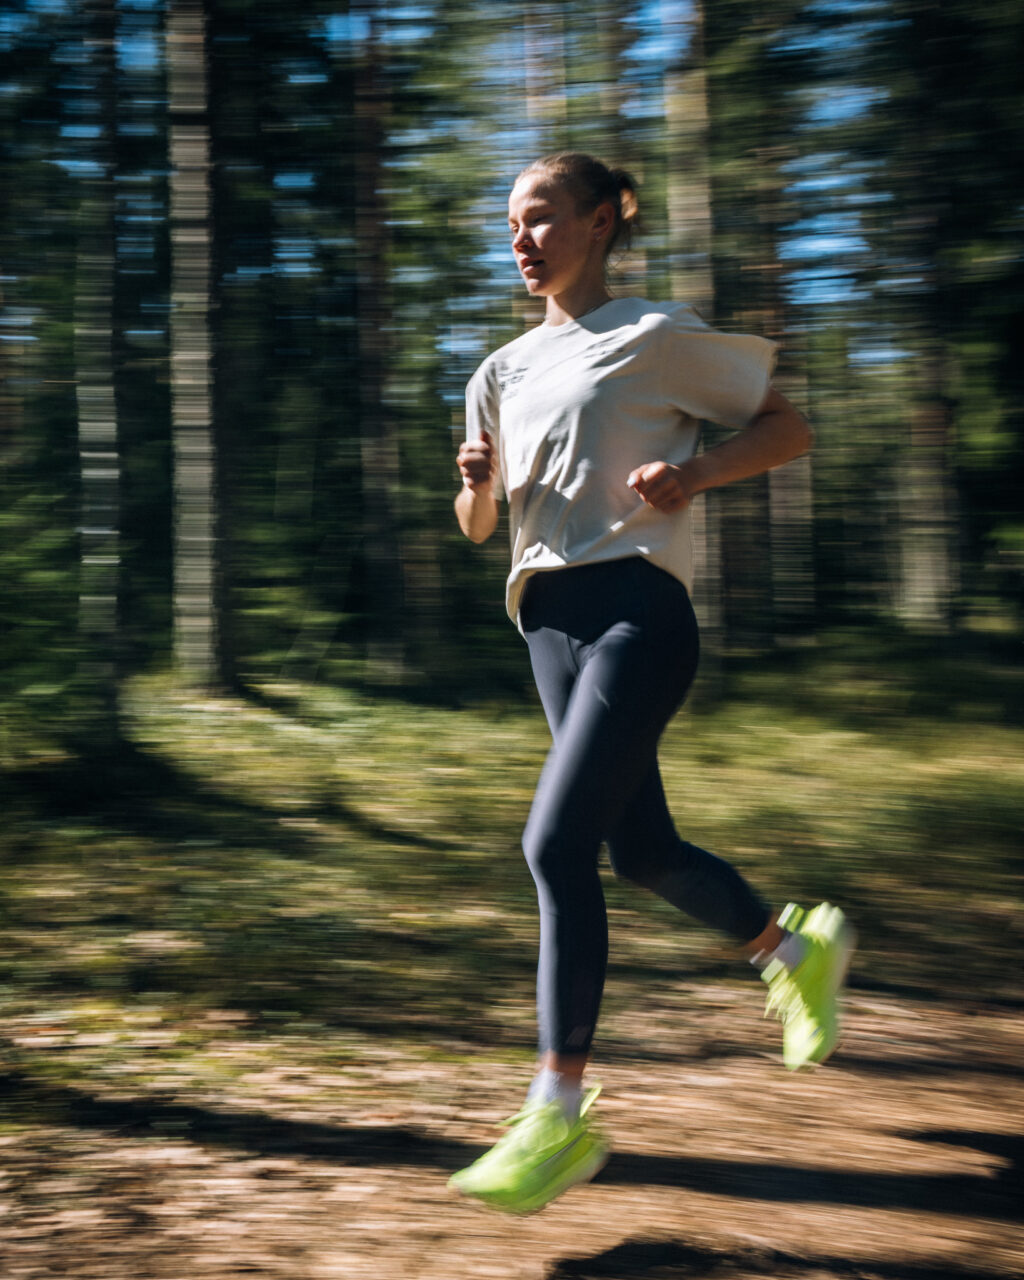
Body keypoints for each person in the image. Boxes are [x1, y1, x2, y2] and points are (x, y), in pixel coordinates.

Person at [448, 152, 854, 1216]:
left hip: (639, 611)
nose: (520, 240)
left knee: (552, 843)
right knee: (641, 849)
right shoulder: (497, 368)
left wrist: (695, 474)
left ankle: (556, 1113)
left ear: (597, 221)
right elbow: (482, 531)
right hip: (545, 620)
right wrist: (476, 489)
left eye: (539, 218)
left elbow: (786, 424)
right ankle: (791, 949)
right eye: (509, 224)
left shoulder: (655, 336)